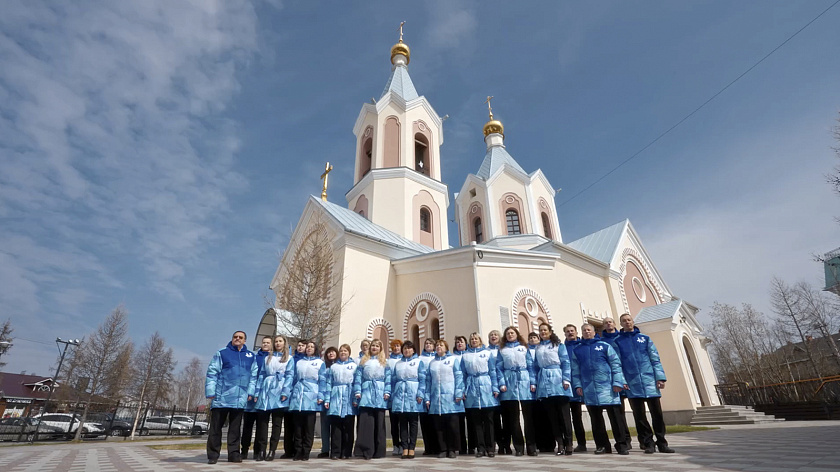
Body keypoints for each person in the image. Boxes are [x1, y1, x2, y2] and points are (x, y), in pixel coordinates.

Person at [613, 313, 675, 454]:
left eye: (629, 320)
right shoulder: (617, 341)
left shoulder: (645, 339)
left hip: (650, 382)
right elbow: (617, 364)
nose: (627, 322)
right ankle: (648, 443)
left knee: (657, 415)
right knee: (639, 416)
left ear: (633, 321)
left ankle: (662, 443)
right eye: (624, 321)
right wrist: (621, 380)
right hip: (632, 384)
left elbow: (655, 359)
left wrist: (660, 378)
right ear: (621, 324)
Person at [570, 323, 629, 455]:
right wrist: (578, 385)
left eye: (589, 330)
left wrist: (618, 382)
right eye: (584, 330)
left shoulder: (604, 346)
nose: (586, 332)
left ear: (594, 332)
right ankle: (602, 445)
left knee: (615, 418)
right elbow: (575, 369)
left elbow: (615, 364)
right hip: (589, 390)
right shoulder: (578, 350)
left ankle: (621, 445)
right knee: (596, 420)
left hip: (608, 389)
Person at [205, 330, 257, 464]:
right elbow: (212, 372)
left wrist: (250, 392)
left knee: (235, 429)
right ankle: (213, 455)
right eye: (235, 337)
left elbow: (254, 376)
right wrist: (211, 391)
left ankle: (234, 454)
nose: (238, 339)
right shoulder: (222, 353)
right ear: (232, 339)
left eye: (241, 337)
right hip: (221, 397)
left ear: (245, 340)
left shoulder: (251, 356)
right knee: (216, 428)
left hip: (240, 399)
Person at [250, 335, 294, 461]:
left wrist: (285, 391)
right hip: (266, 391)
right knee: (262, 423)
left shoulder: (289, 359)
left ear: (284, 343)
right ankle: (261, 450)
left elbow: (290, 376)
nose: (278, 343)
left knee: (277, 424)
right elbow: (262, 375)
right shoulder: (267, 358)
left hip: (279, 391)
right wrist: (257, 393)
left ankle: (272, 450)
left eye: (280, 341)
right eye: (276, 341)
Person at [496, 326, 537, 456]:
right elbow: (498, 368)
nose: (510, 335)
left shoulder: (524, 348)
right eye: (508, 333)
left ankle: (531, 446)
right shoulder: (502, 350)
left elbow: (531, 365)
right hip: (509, 383)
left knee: (529, 418)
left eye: (512, 333)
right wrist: (502, 383)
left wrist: (533, 382)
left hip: (524, 381)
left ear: (517, 334)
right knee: (513, 419)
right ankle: (519, 446)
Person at [534, 323, 574, 456]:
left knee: (564, 415)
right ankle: (560, 444)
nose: (543, 332)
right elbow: (535, 366)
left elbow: (566, 362)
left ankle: (568, 443)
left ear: (550, 332)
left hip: (558, 380)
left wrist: (566, 379)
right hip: (544, 383)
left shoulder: (559, 346)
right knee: (553, 417)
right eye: (541, 330)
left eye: (545, 330)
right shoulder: (538, 347)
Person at [461, 332, 499, 458]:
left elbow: (493, 371)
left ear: (480, 340)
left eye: (476, 338)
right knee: (476, 422)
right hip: (472, 388)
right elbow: (463, 375)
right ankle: (480, 448)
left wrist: (495, 387)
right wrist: (463, 390)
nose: (474, 340)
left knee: (489, 420)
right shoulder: (465, 355)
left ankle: (490, 447)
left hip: (486, 385)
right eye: (472, 339)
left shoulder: (487, 353)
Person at [288, 340, 327, 461]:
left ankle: (306, 451)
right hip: (298, 396)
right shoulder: (299, 362)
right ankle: (298, 450)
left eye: (311, 347)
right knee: (298, 427)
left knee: (309, 427)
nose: (309, 348)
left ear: (315, 349)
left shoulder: (320, 363)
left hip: (311, 396)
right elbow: (293, 378)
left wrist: (321, 395)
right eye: (308, 347)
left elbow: (322, 380)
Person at [425, 339, 464, 458]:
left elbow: (459, 376)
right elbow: (428, 381)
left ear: (446, 348)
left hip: (451, 397)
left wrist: (458, 392)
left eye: (441, 345)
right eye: (437, 345)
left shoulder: (452, 360)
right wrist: (427, 397)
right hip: (436, 398)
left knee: (452, 425)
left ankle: (452, 449)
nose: (438, 347)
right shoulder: (432, 363)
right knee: (439, 425)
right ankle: (442, 448)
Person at [353, 339, 392, 460]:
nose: (374, 347)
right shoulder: (364, 361)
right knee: (366, 424)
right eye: (373, 346)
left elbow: (388, 379)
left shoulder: (385, 362)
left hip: (380, 394)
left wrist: (387, 391)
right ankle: (366, 450)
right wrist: (358, 391)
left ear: (380, 348)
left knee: (379, 424)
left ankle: (379, 451)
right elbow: (358, 378)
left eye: (377, 346)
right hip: (366, 394)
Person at [599, 316, 632, 452]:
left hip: (624, 377)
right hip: (610, 382)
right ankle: (623, 439)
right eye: (605, 323)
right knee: (617, 412)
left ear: (614, 324)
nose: (608, 324)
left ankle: (628, 439)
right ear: (603, 326)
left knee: (624, 411)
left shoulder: (621, 337)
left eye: (610, 322)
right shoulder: (601, 341)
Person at [390, 341, 426, 459]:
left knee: (414, 423)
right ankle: (404, 447)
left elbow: (422, 379)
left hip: (414, 394)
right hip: (401, 396)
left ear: (413, 350)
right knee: (403, 424)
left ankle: (412, 448)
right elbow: (394, 380)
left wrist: (420, 394)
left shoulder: (418, 362)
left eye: (409, 348)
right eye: (405, 348)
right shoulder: (398, 364)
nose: (407, 350)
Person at [324, 344, 358, 460]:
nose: (343, 352)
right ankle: (335, 451)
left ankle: (346, 452)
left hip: (349, 397)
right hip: (336, 396)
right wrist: (327, 399)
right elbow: (329, 383)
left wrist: (355, 399)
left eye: (345, 351)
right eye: (341, 351)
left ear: (349, 352)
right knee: (336, 426)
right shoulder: (334, 367)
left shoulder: (354, 366)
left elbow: (356, 383)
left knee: (348, 426)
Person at [243, 336, 271, 461]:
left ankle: (258, 451)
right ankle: (244, 450)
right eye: (264, 342)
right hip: (252, 394)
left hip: (265, 395)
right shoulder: (255, 357)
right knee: (247, 426)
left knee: (262, 426)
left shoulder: (273, 358)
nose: (265, 344)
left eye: (268, 343)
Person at [529, 331, 554, 454]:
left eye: (535, 337)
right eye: (531, 338)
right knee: (536, 418)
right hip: (534, 390)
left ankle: (550, 443)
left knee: (548, 416)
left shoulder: (542, 349)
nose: (533, 339)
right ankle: (540, 444)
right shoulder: (527, 351)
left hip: (546, 387)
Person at [563, 324, 587, 452]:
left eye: (572, 331)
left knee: (577, 418)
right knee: (566, 418)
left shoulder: (582, 346)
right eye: (567, 331)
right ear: (565, 334)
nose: (570, 333)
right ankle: (569, 444)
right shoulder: (562, 347)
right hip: (566, 388)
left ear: (576, 332)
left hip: (581, 386)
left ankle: (582, 443)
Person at [487, 329, 508, 455]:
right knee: (494, 419)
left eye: (495, 335)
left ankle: (506, 445)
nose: (493, 336)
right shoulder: (486, 351)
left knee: (506, 419)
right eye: (491, 335)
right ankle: (496, 445)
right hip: (491, 388)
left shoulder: (504, 349)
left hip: (504, 386)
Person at [418, 338, 440, 456]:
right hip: (424, 389)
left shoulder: (438, 358)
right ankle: (428, 447)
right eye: (426, 343)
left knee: (436, 421)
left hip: (436, 391)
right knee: (425, 421)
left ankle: (438, 447)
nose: (428, 345)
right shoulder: (420, 359)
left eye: (430, 343)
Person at [452, 335, 472, 455]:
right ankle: (461, 446)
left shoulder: (469, 355)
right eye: (457, 342)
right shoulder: (453, 357)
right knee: (458, 421)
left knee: (471, 421)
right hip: (457, 393)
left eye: (462, 342)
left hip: (470, 391)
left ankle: (472, 446)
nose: (459, 344)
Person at [352, 338, 372, 458]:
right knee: (360, 421)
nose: (365, 347)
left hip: (371, 394)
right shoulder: (356, 360)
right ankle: (359, 447)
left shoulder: (373, 359)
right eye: (363, 345)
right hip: (360, 393)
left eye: (367, 345)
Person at [318, 347, 338, 458]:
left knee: (335, 426)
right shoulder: (323, 366)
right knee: (325, 426)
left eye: (333, 352)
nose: (331, 354)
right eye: (329, 352)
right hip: (324, 398)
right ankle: (325, 449)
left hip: (335, 399)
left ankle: (335, 449)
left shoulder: (339, 366)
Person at [387, 339, 403, 456]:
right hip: (392, 396)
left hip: (403, 396)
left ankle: (403, 444)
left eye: (398, 346)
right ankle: (395, 444)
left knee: (403, 422)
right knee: (393, 423)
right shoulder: (388, 361)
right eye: (394, 346)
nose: (396, 348)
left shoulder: (404, 360)